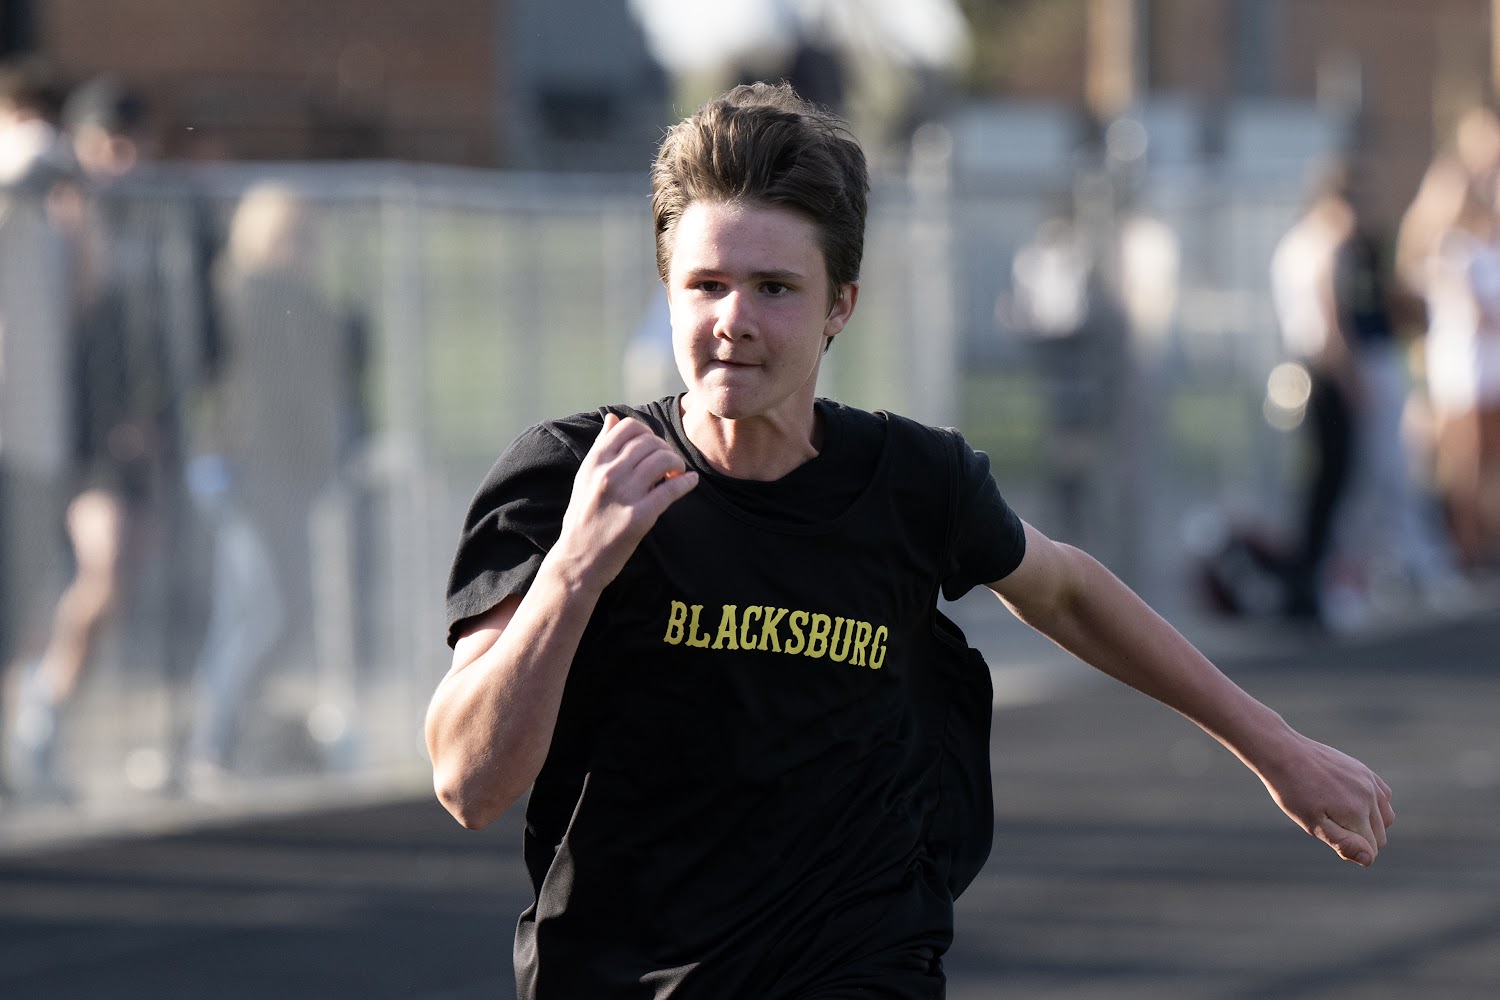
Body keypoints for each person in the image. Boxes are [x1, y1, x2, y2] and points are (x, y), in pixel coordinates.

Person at [427, 83, 1394, 998]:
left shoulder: (915, 482)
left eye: (774, 288)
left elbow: (1065, 590)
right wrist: (575, 571)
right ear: (669, 292)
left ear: (840, 306)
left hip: (860, 960)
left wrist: (1278, 751)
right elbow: (469, 784)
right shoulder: (571, 477)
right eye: (706, 284)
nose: (734, 322)